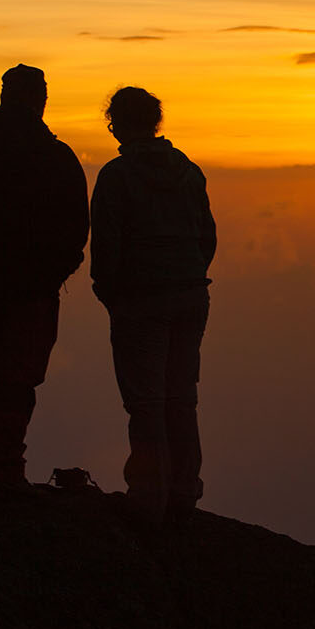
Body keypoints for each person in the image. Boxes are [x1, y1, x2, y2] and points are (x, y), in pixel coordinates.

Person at [0, 64, 89, 485]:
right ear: (40, 99)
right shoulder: (57, 158)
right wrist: (55, 271)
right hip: (35, 289)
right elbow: (77, 226)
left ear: (5, 97)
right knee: (20, 375)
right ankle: (9, 464)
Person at [90, 87, 215, 527]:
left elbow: (106, 246)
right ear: (156, 122)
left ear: (116, 124)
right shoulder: (189, 172)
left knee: (145, 401)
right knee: (181, 397)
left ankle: (148, 496)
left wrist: (109, 293)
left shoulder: (116, 176)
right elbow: (207, 237)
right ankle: (184, 492)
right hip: (189, 294)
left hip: (140, 300)